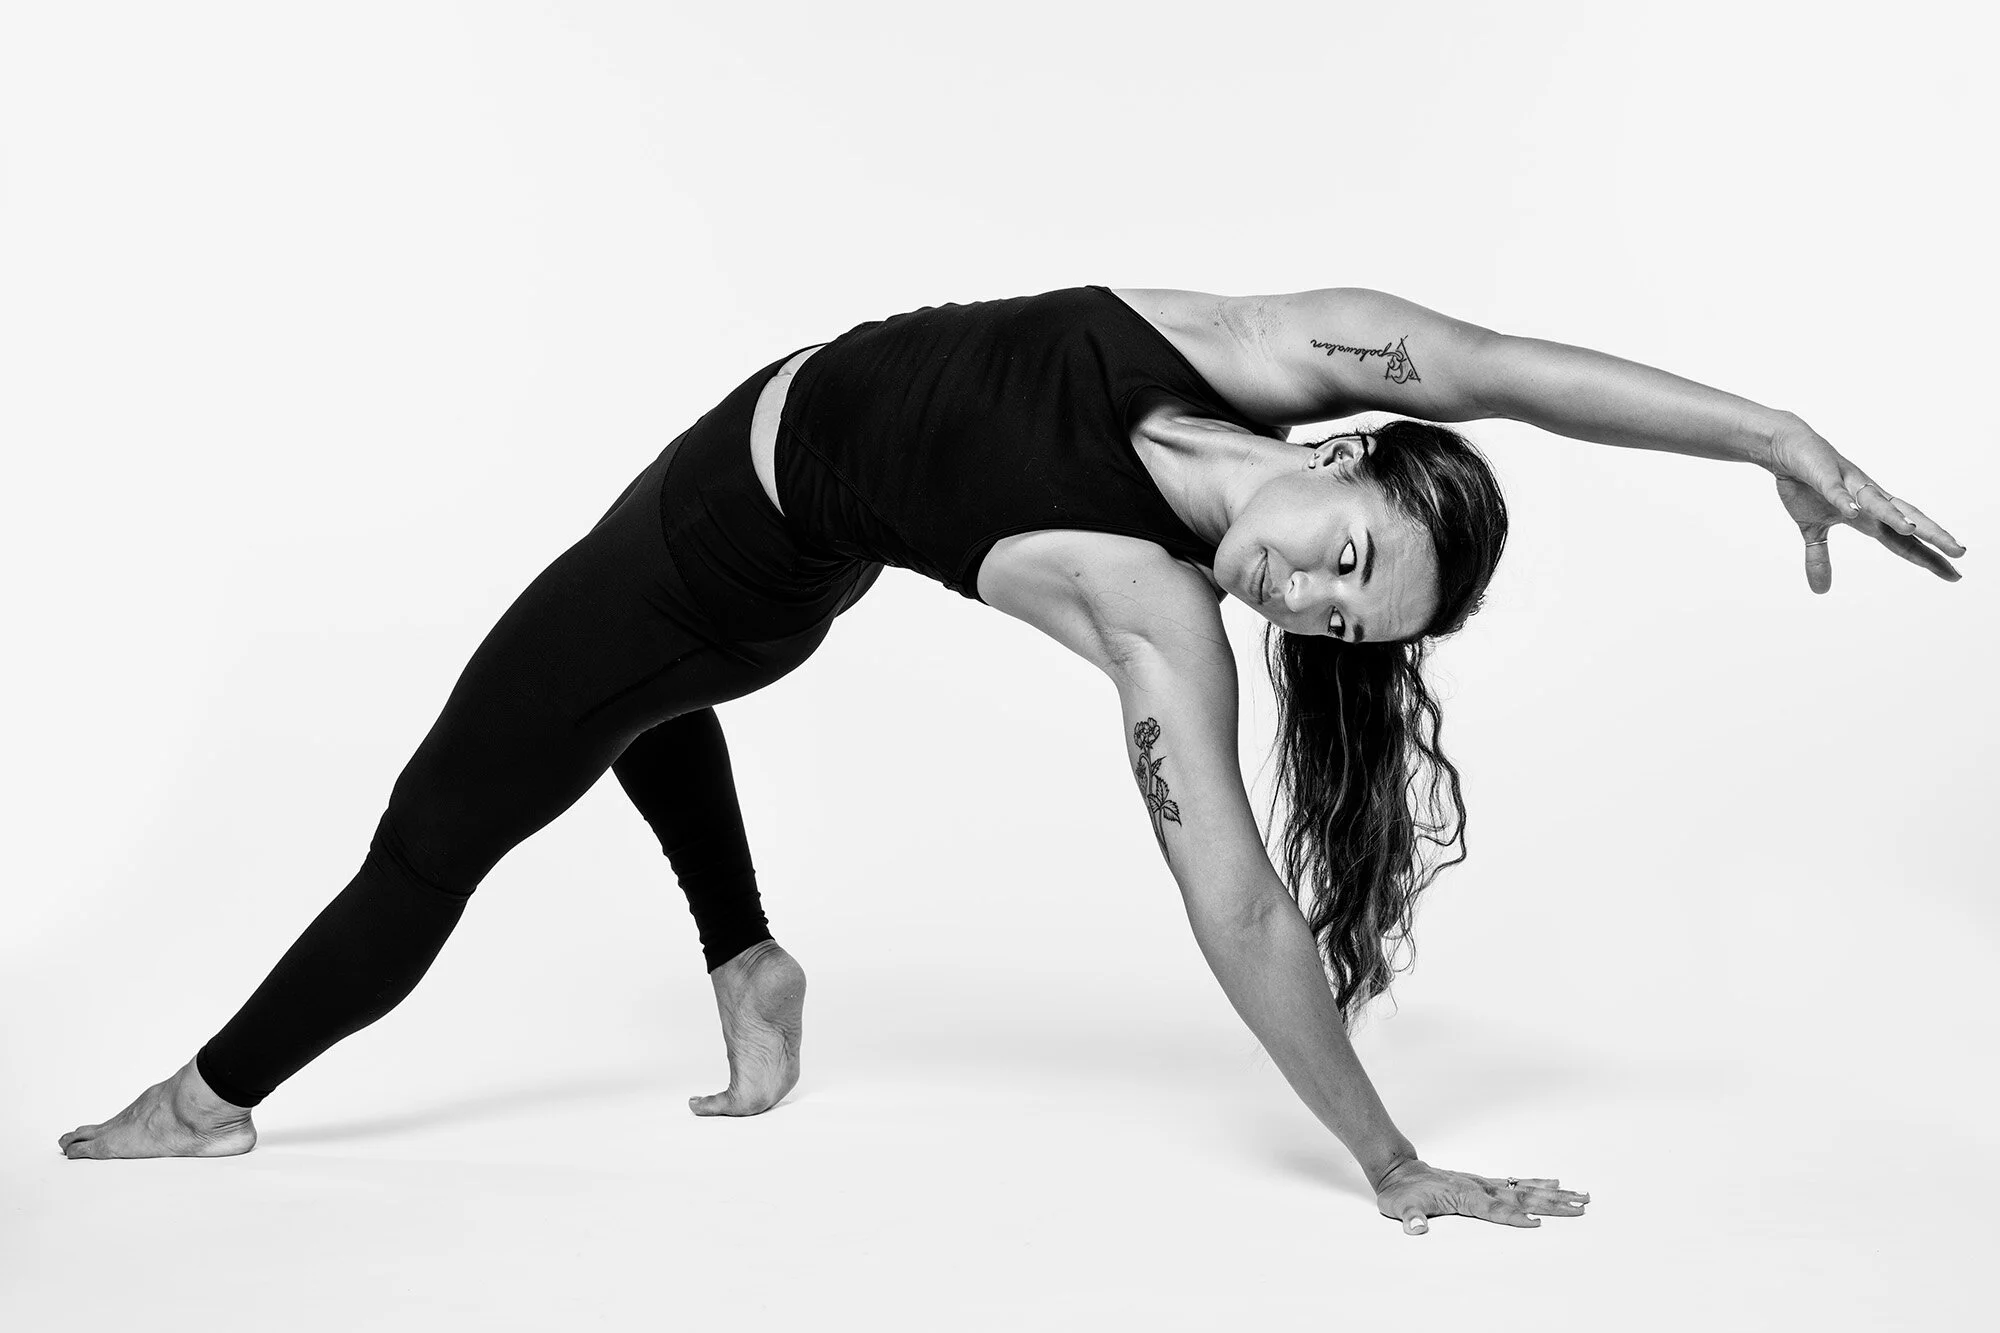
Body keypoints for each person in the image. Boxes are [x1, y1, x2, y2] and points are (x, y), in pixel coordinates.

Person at [57, 284, 1963, 1235]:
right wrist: (1770, 429)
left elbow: (1233, 898)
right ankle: (750, 962)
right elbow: (1501, 367)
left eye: (1340, 633)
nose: (1309, 604)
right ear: (1342, 458)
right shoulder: (1266, 348)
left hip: (725, 546)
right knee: (634, 703)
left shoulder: (1155, 618)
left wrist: (1393, 1167)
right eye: (1354, 563)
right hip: (754, 526)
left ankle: (213, 1093)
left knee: (434, 833)